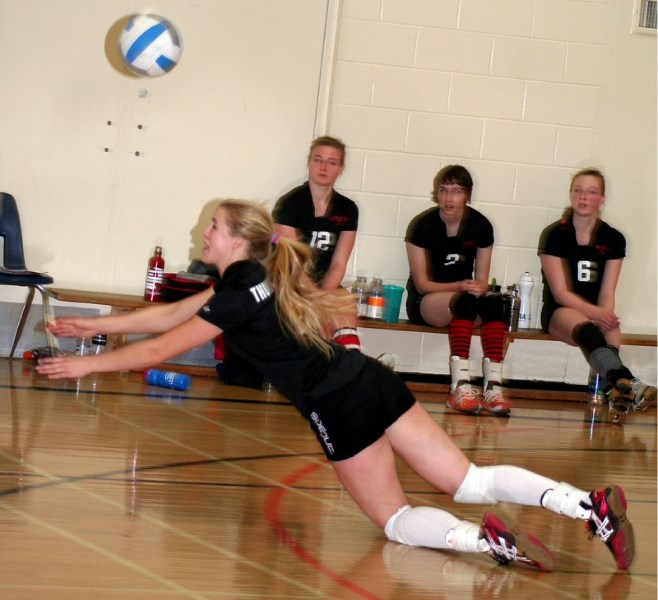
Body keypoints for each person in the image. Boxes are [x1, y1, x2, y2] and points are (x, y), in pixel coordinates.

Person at [37, 199, 634, 572]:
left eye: (212, 227)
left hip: (335, 403)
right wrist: (98, 325)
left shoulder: (237, 292)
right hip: (369, 377)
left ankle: (486, 543)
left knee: (395, 520)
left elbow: (167, 344)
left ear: (237, 240)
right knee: (468, 478)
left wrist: (85, 363)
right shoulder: (254, 278)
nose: (205, 234)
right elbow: (166, 317)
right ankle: (585, 505)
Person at [538, 167, 656, 424]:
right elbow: (561, 293)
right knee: (591, 329)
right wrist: (596, 316)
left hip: (595, 311)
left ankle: (618, 394)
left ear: (601, 200)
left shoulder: (613, 238)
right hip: (560, 313)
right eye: (578, 190)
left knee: (611, 329)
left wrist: (606, 316)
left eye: (591, 192)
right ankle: (630, 383)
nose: (583, 197)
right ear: (571, 195)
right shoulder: (555, 234)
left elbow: (607, 291)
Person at [405, 165, 510, 415]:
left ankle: (493, 387)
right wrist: (459, 286)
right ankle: (459, 387)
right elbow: (422, 284)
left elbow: (482, 280)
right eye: (443, 191)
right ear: (436, 193)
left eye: (456, 191)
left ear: (467, 195)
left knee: (496, 303)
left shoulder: (481, 226)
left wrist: (477, 287)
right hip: (427, 301)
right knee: (464, 302)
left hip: (465, 299)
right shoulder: (422, 225)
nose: (449, 198)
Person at [273, 135, 361, 351]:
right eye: (318, 159)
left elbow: (339, 263)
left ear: (341, 168)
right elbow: (291, 262)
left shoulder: (348, 208)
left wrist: (324, 296)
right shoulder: (289, 204)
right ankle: (328, 364)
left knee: (344, 303)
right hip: (290, 281)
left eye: (331, 162)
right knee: (317, 319)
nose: (323, 167)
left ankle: (353, 362)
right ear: (309, 162)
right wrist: (316, 299)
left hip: (326, 283)